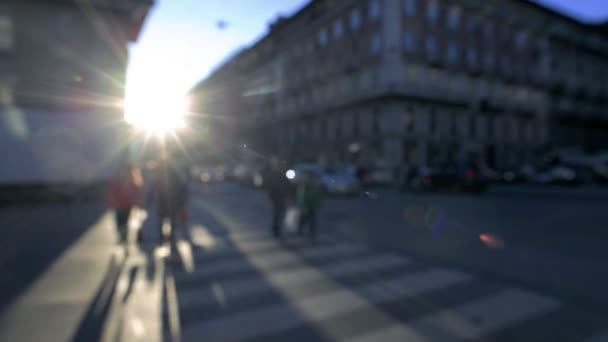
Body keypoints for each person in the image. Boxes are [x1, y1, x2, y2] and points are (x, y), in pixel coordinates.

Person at [105, 163, 144, 245]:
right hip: (121, 205)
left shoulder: (131, 179)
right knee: (120, 222)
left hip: (125, 205)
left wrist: (137, 202)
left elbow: (136, 192)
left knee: (123, 222)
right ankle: (123, 237)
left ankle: (124, 238)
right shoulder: (119, 179)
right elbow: (112, 191)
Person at [157, 159, 189, 249]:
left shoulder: (165, 177)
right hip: (170, 205)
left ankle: (165, 239)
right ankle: (168, 239)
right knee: (170, 223)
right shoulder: (175, 177)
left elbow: (182, 191)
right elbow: (183, 191)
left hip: (169, 205)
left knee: (165, 222)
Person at [262, 156, 291, 238]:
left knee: (279, 213)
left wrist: (287, 193)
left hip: (280, 195)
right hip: (275, 195)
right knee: (277, 213)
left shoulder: (281, 172)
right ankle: (276, 229)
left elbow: (286, 184)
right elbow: (269, 185)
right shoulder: (272, 173)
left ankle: (277, 229)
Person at [296, 170, 322, 239]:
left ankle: (312, 232)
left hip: (312, 204)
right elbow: (301, 196)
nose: (311, 178)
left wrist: (318, 203)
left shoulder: (314, 185)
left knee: (312, 219)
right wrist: (301, 204)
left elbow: (318, 195)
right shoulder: (304, 185)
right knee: (304, 218)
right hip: (306, 204)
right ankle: (300, 230)